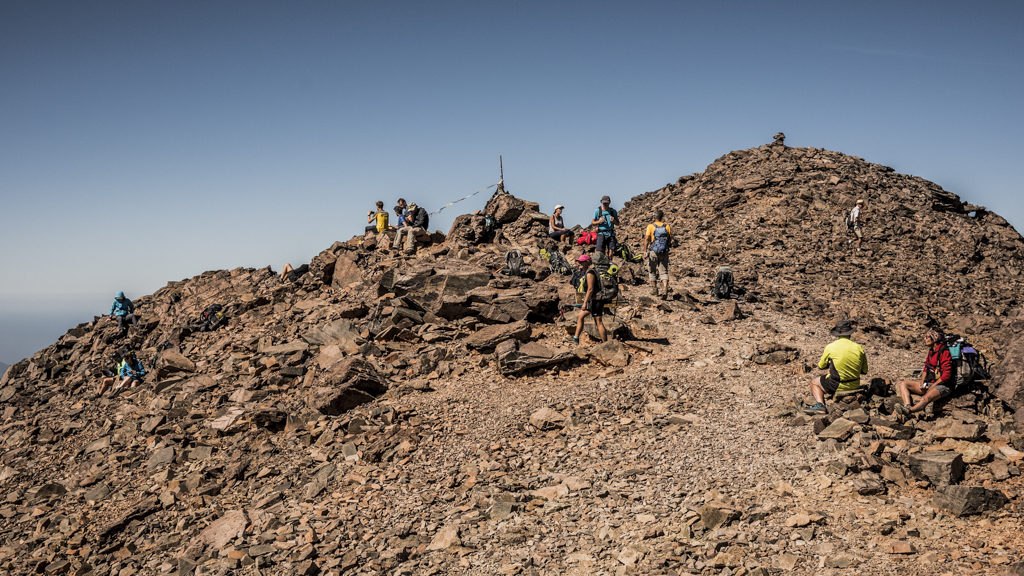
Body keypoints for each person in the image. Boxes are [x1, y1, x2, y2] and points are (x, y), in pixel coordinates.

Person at [803, 319, 868, 415]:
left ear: (837, 334)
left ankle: (820, 405)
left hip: (837, 384)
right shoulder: (859, 348)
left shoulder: (831, 347)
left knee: (814, 383)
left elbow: (821, 366)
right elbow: (864, 371)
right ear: (850, 333)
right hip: (855, 384)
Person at [895, 328, 955, 417]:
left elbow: (946, 375)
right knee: (903, 384)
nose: (925, 339)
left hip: (943, 385)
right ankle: (907, 406)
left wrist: (933, 386)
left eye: (927, 337)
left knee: (926, 398)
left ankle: (909, 411)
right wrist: (922, 382)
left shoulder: (944, 351)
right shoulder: (932, 350)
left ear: (935, 338)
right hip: (930, 382)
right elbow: (926, 367)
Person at [573, 254, 608, 345]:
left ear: (587, 262)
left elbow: (590, 289)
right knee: (581, 316)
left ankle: (606, 344)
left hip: (596, 300)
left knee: (598, 321)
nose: (580, 263)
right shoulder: (588, 271)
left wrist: (584, 303)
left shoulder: (590, 273)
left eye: (582, 261)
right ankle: (575, 338)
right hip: (594, 300)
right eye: (579, 261)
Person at [643, 209, 672, 299]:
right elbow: (669, 239)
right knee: (663, 271)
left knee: (652, 270)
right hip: (664, 251)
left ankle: (654, 289)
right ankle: (665, 288)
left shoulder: (651, 226)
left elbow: (647, 239)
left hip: (653, 251)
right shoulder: (667, 226)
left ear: (654, 217)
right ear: (662, 217)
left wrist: (645, 250)